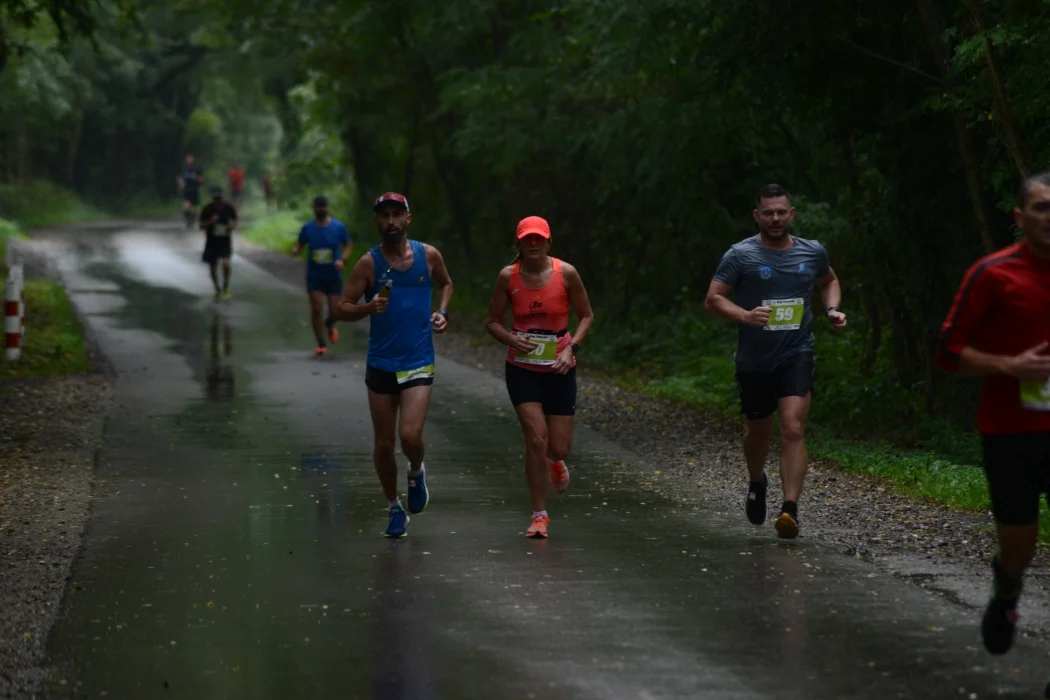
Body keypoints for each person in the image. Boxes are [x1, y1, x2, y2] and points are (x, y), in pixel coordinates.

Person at [935, 171, 1050, 657]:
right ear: (1020, 217)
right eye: (1042, 207)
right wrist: (1010, 365)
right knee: (1019, 550)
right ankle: (1006, 591)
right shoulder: (993, 273)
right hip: (1012, 434)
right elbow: (947, 350)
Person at [703, 184, 847, 539]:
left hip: (796, 351)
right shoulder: (740, 255)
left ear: (792, 214)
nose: (776, 218)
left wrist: (832, 309)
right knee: (757, 432)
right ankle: (756, 481)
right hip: (754, 360)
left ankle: (790, 510)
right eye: (768, 213)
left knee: (793, 427)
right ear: (757, 216)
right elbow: (713, 299)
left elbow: (829, 280)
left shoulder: (812, 252)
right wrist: (745, 315)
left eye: (781, 212)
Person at [334, 192, 453, 538]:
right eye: (384, 215)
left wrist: (442, 312)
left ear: (407, 219)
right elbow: (342, 307)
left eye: (396, 214)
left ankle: (416, 471)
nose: (390, 221)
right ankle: (394, 507)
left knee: (410, 435)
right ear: (376, 221)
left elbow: (445, 283)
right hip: (382, 362)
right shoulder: (368, 264)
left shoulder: (427, 256)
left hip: (418, 358)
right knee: (384, 444)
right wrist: (365, 309)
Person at [485, 216, 594, 539]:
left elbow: (587, 315)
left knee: (557, 446)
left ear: (549, 243)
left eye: (539, 239)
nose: (533, 244)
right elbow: (492, 322)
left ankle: (555, 461)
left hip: (560, 365)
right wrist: (510, 338)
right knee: (536, 439)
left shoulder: (566, 273)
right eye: (527, 240)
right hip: (522, 367)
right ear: (518, 245)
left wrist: (570, 348)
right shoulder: (508, 277)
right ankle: (539, 515)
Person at [290, 195, 352, 356]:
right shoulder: (308, 228)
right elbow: (300, 244)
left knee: (336, 311)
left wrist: (342, 260)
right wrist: (296, 250)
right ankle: (321, 343)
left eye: (324, 207)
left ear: (328, 208)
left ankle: (330, 324)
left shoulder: (338, 227)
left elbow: (348, 246)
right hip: (314, 275)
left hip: (333, 275)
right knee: (317, 308)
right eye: (318, 207)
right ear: (314, 208)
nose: (321, 210)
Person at [199, 186, 238, 301]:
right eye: (216, 199)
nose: (218, 201)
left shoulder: (228, 207)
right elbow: (201, 225)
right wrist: (211, 222)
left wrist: (232, 225)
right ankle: (217, 288)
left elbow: (235, 219)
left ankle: (226, 287)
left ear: (222, 198)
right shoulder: (207, 209)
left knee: (226, 263)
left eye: (220, 199)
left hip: (225, 241)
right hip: (211, 241)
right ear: (213, 198)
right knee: (213, 268)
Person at [177, 154, 204, 230]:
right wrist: (181, 183)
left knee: (193, 208)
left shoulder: (197, 169)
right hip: (186, 190)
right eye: (188, 159)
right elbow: (179, 178)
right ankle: (188, 220)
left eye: (191, 159)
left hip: (194, 189)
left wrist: (197, 178)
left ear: (193, 160)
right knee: (186, 207)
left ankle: (192, 220)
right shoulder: (184, 168)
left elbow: (202, 180)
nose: (189, 160)